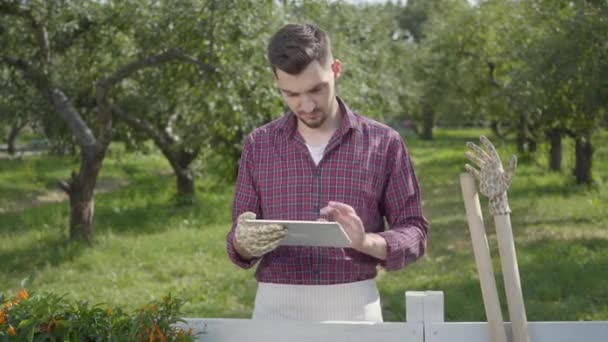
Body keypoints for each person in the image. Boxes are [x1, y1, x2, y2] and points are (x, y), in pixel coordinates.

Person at [226, 23, 428, 322]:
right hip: (274, 309)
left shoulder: (384, 142)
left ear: (335, 69)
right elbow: (238, 237)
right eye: (291, 93)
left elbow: (415, 232)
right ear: (276, 81)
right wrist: (242, 243)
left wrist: (364, 242)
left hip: (355, 307)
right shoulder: (260, 145)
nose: (306, 105)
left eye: (316, 89)